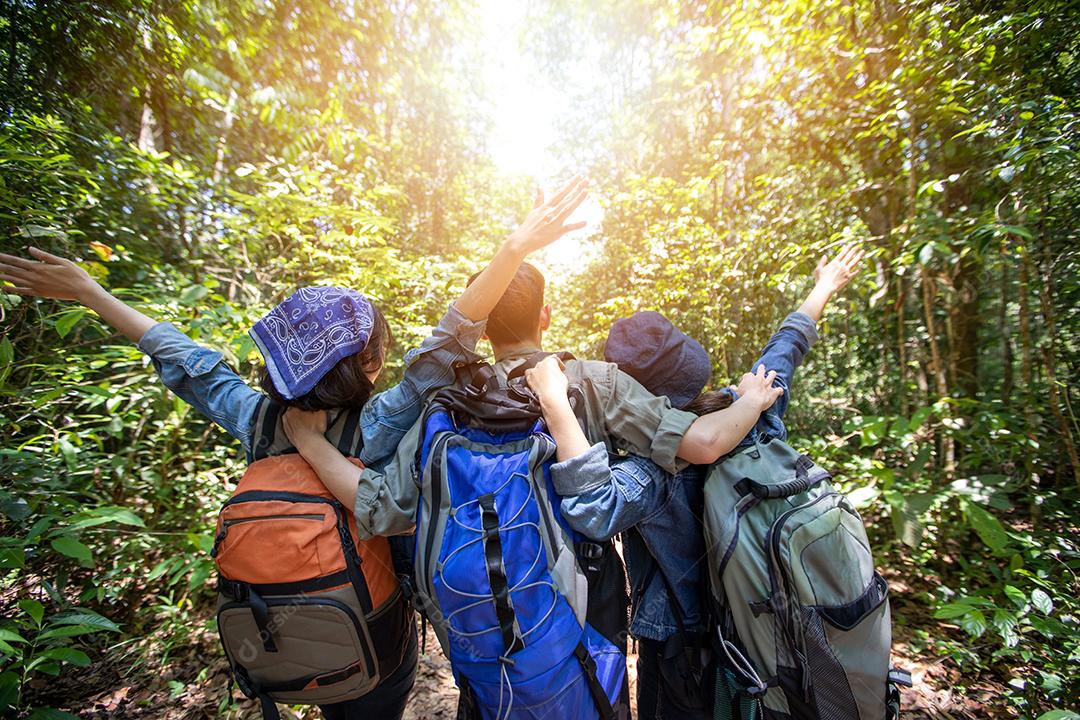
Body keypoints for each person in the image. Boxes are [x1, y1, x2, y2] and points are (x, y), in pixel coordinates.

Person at [0, 174, 593, 720]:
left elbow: (182, 356)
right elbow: (452, 334)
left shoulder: (259, 419)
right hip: (375, 625)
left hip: (288, 632)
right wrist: (514, 248)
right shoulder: (380, 420)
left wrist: (89, 291)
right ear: (370, 363)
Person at [521, 244, 866, 718]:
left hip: (677, 643)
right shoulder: (751, 407)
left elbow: (595, 509)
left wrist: (557, 405)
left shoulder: (650, 469)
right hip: (756, 627)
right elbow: (785, 348)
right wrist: (823, 287)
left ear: (631, 397)